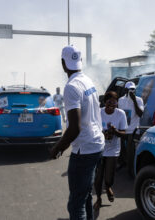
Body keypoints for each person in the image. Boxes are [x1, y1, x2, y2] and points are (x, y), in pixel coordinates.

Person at [50, 45, 105, 220]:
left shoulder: (71, 87)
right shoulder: (88, 81)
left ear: (63, 64)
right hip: (97, 145)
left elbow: (75, 128)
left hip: (84, 149)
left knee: (76, 204)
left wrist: (58, 147)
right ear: (80, 61)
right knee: (86, 194)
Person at [93, 91, 127, 210]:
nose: (111, 105)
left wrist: (115, 132)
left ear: (117, 103)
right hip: (99, 148)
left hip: (113, 150)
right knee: (97, 177)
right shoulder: (98, 112)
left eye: (114, 102)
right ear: (104, 102)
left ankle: (108, 187)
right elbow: (92, 129)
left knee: (109, 178)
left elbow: (124, 134)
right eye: (109, 102)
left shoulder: (120, 114)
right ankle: (98, 198)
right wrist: (103, 134)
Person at [117, 81, 144, 175]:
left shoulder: (139, 100)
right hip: (123, 129)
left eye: (133, 89)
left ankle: (131, 171)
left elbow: (140, 114)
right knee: (121, 150)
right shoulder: (120, 100)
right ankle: (123, 163)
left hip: (133, 130)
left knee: (131, 151)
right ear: (125, 90)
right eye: (129, 89)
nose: (132, 91)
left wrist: (134, 101)